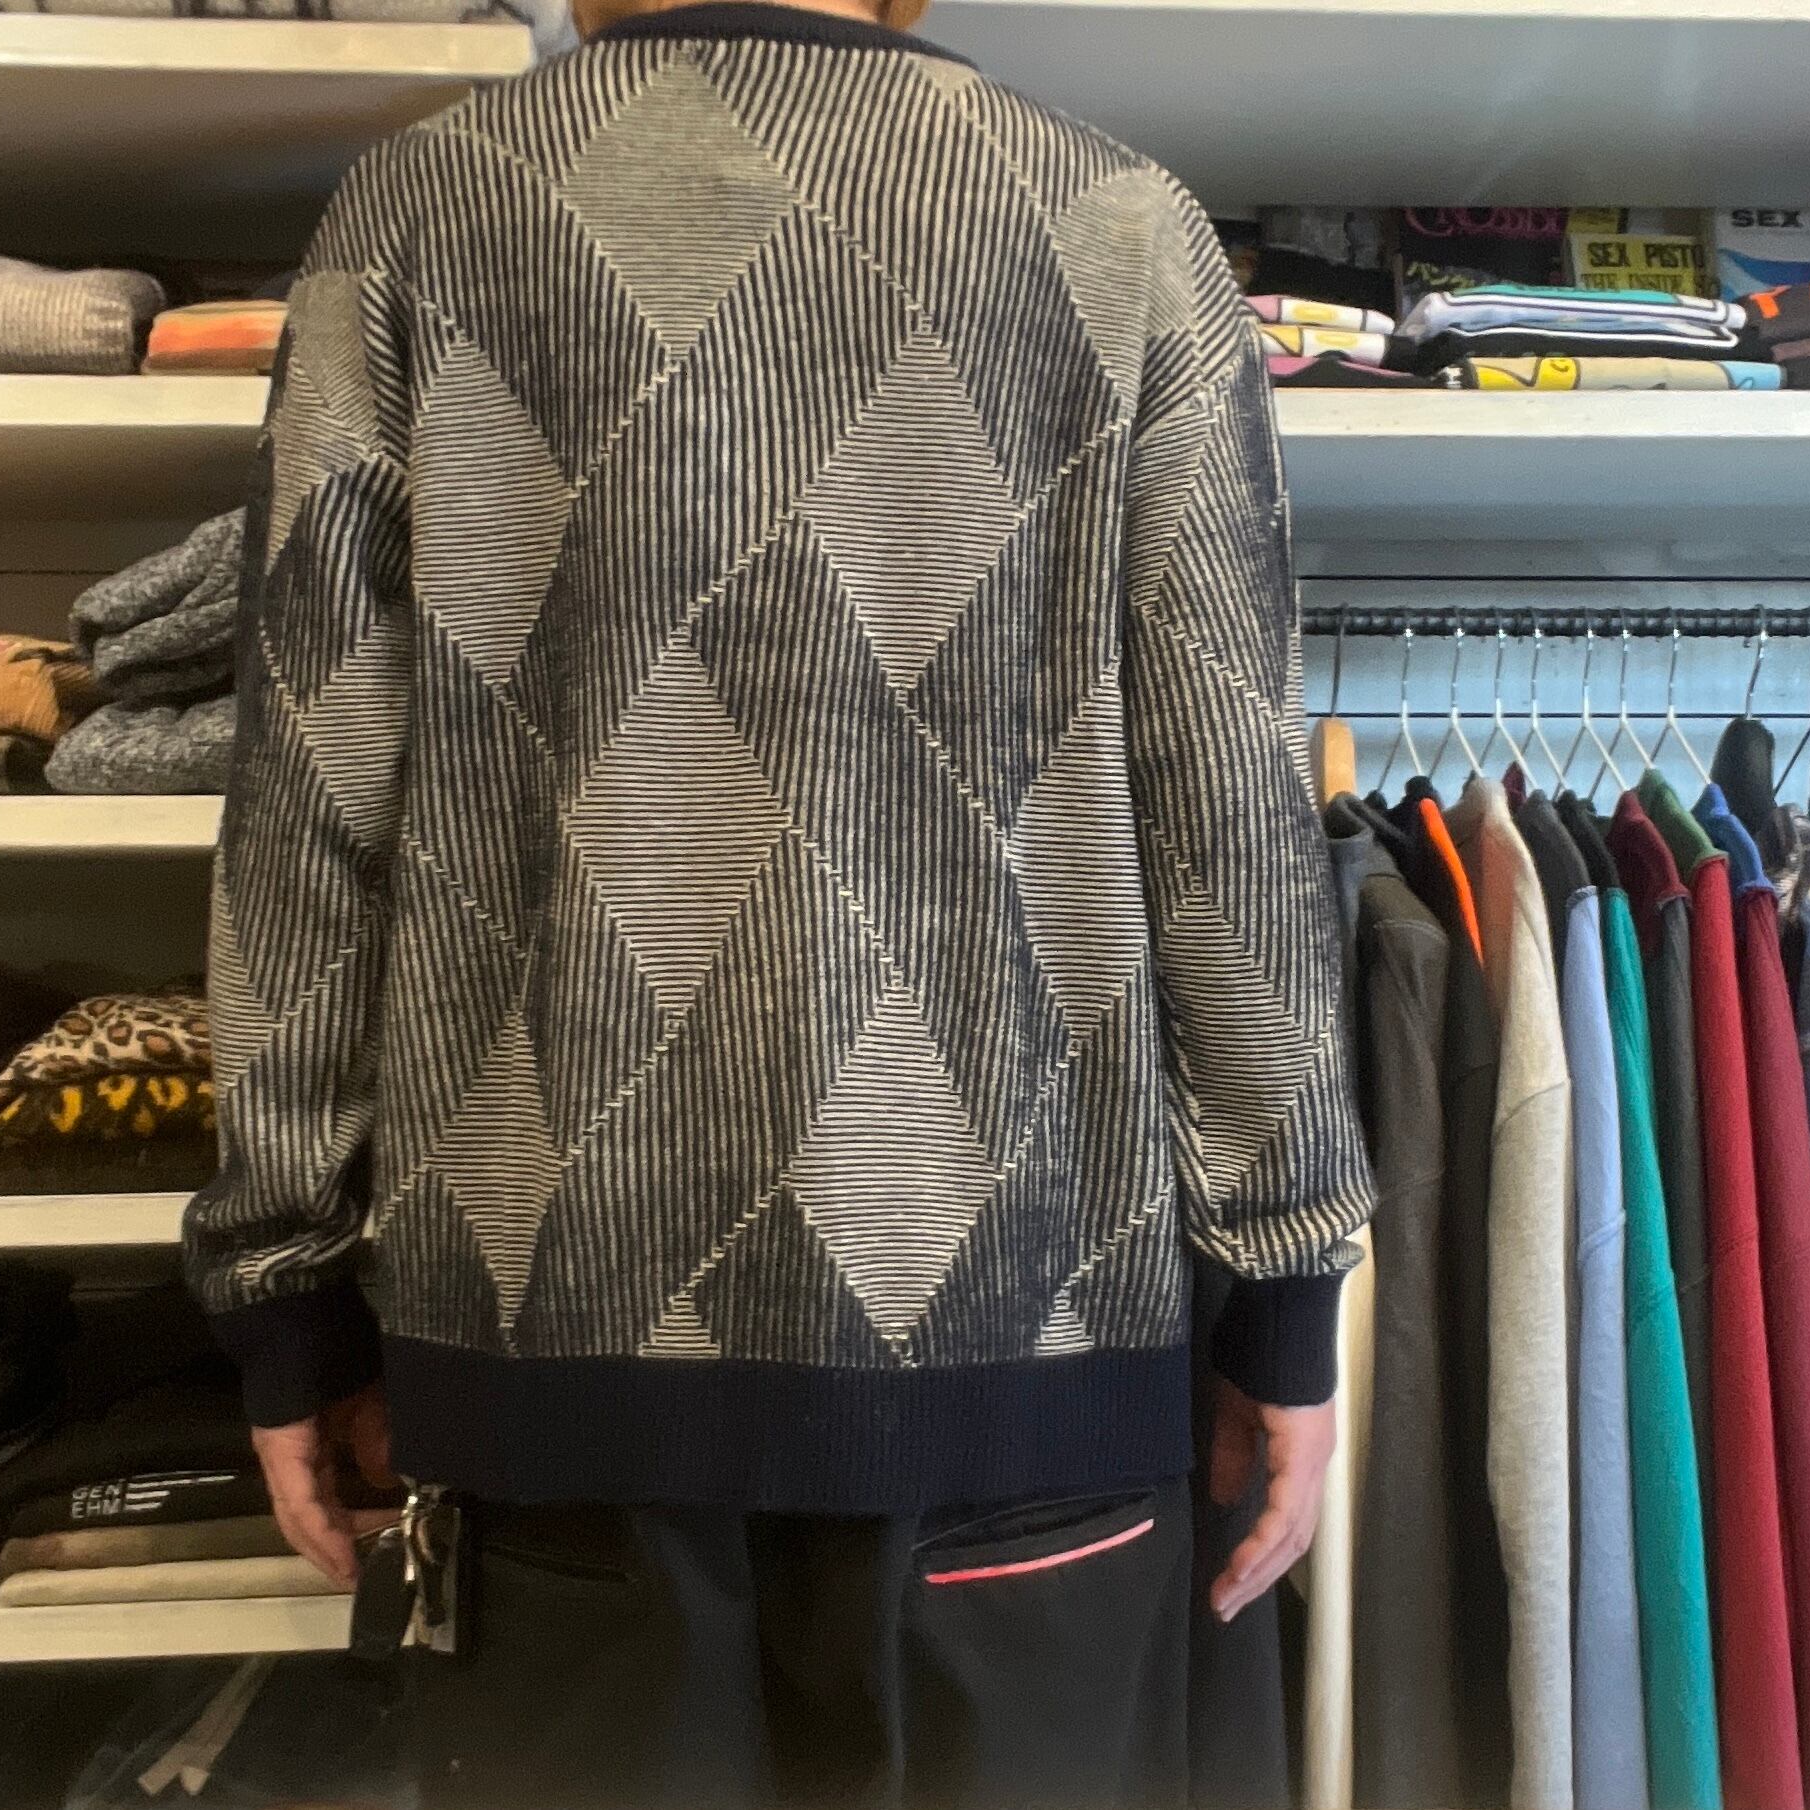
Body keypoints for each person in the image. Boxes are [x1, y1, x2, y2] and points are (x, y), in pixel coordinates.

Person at [184, 0, 1373, 1800]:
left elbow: (308, 794)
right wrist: (1282, 1283)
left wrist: (288, 1293)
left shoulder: (423, 213)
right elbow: (1229, 805)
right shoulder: (1119, 225)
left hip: (550, 1368)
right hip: (1025, 1352)